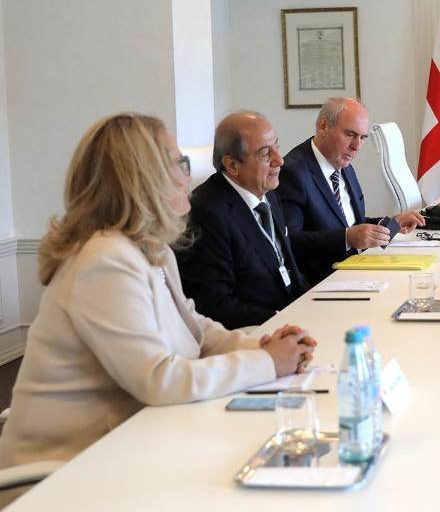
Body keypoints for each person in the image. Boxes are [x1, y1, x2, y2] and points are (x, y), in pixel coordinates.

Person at [0, 113, 317, 475]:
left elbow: (194, 327)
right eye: (180, 164)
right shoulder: (104, 259)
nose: (188, 176)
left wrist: (263, 345)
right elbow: (159, 380)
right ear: (142, 178)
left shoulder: (150, 247)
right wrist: (267, 362)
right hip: (64, 472)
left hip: (124, 447)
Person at [176, 112, 309, 329]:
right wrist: (280, 319)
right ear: (232, 165)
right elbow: (214, 303)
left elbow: (287, 269)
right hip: (255, 331)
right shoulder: (206, 213)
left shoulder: (267, 193)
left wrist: (315, 304)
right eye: (265, 153)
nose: (280, 160)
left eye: (276, 146)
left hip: (291, 319)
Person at [278, 97, 425, 285]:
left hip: (357, 271)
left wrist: (389, 223)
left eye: (362, 137)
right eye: (350, 134)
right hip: (323, 282)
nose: (357, 146)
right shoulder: (292, 172)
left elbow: (349, 223)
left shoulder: (343, 165)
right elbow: (289, 242)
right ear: (323, 126)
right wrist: (346, 238)